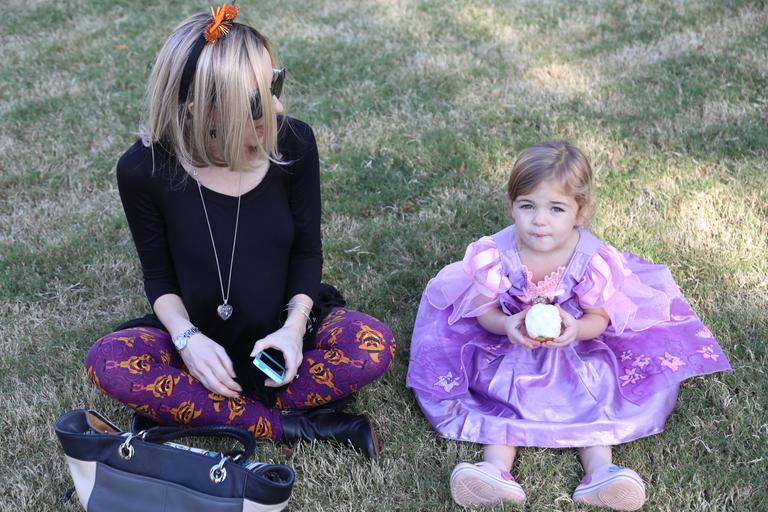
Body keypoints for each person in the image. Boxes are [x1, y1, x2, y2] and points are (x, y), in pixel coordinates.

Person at [86, 4, 395, 460]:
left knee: (372, 345)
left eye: (275, 85)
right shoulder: (142, 170)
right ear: (202, 111)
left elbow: (307, 254)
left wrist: (293, 330)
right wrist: (188, 341)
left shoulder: (294, 142)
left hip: (283, 330)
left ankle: (201, 410)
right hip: (198, 338)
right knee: (109, 362)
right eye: (255, 103)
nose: (277, 108)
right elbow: (159, 277)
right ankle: (297, 425)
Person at [406, 141, 730, 509]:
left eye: (556, 208)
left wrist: (576, 329)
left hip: (575, 349)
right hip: (513, 347)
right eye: (527, 206)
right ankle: (494, 469)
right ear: (511, 205)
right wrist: (506, 324)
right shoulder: (494, 254)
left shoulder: (591, 260)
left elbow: (597, 318)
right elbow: (486, 313)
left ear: (581, 211)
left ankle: (601, 470)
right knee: (501, 396)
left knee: (598, 394)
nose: (539, 220)